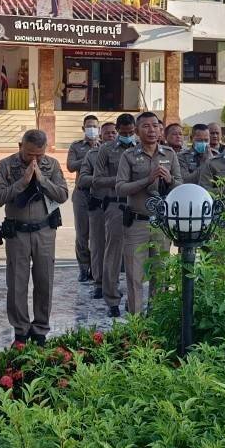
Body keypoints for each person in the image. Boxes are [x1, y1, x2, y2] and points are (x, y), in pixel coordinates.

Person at [0, 129, 69, 345]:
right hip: (17, 232)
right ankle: (21, 330)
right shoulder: (5, 165)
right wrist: (22, 183)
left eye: (39, 155)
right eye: (29, 154)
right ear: (20, 146)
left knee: (45, 280)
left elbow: (62, 195)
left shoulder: (52, 165)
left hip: (44, 231)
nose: (34, 159)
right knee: (17, 282)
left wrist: (42, 180)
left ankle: (41, 329)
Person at [117, 111, 182, 314]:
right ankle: (135, 322)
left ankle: (156, 319)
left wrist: (169, 180)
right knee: (134, 276)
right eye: (146, 126)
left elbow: (180, 186)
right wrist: (147, 179)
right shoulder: (128, 156)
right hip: (137, 223)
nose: (152, 130)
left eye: (155, 126)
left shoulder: (169, 154)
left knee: (160, 275)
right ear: (137, 131)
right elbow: (120, 188)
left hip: (161, 225)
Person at [93, 114, 134, 317]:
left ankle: (134, 300)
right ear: (117, 130)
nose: (127, 135)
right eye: (123, 132)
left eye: (131, 132)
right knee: (113, 254)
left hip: (137, 206)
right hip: (116, 205)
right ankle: (112, 300)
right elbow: (97, 180)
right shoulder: (106, 149)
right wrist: (121, 180)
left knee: (136, 255)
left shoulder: (141, 148)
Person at [84, 120, 117, 299]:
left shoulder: (128, 153)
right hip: (99, 205)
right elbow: (83, 179)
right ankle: (98, 283)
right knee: (98, 246)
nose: (111, 135)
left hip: (120, 206)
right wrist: (102, 179)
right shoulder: (92, 155)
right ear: (101, 136)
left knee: (116, 248)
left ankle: (113, 284)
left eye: (114, 132)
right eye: (107, 133)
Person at [66, 115, 100, 283]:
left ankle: (96, 268)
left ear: (99, 128)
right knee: (82, 234)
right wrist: (89, 155)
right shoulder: (76, 146)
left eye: (94, 126)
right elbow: (71, 166)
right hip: (81, 193)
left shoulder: (106, 146)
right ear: (83, 128)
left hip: (99, 193)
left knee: (97, 234)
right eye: (88, 126)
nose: (91, 129)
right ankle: (83, 267)